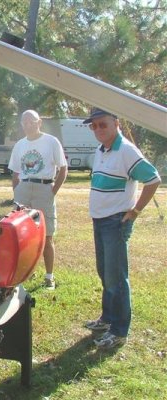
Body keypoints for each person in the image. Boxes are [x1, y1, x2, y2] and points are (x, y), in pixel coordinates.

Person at [83, 108, 161, 349]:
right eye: (93, 126)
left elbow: (153, 179)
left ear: (116, 123)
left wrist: (135, 211)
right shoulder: (101, 149)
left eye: (102, 124)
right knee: (105, 273)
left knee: (116, 278)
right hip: (100, 220)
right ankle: (107, 320)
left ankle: (119, 332)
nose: (97, 130)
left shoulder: (126, 150)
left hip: (116, 222)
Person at [8, 109, 68, 290]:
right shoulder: (19, 144)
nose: (28, 126)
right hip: (23, 189)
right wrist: (17, 190)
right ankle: (26, 271)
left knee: (47, 235)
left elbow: (63, 169)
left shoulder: (51, 141)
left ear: (39, 122)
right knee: (21, 234)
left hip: (44, 188)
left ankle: (49, 277)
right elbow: (16, 171)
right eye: (24, 123)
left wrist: (52, 191)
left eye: (31, 122)